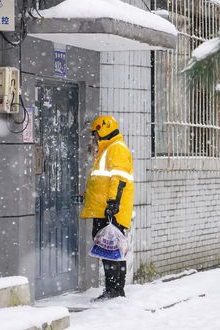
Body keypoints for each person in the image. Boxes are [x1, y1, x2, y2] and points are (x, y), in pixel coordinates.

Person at [81, 115, 134, 300]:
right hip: (106, 210)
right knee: (110, 249)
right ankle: (114, 290)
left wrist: (113, 204)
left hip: (111, 212)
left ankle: (114, 290)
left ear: (103, 130)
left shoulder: (116, 149)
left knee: (112, 250)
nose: (94, 138)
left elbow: (118, 179)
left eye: (95, 133)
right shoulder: (107, 150)